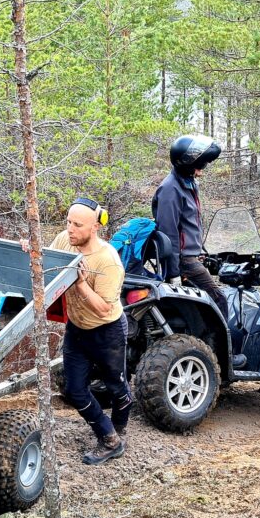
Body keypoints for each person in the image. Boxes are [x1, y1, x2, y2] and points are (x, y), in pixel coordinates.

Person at [45, 198, 132, 465]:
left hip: (108, 332)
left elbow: (105, 310)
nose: (70, 229)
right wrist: (31, 252)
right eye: (68, 222)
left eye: (77, 225)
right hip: (77, 328)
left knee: (116, 388)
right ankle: (109, 438)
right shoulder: (64, 240)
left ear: (95, 227)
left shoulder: (108, 262)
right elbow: (46, 264)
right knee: (74, 389)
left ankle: (118, 428)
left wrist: (81, 284)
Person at [152, 134, 228, 319]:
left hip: (192, 257)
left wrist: (202, 250)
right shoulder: (170, 189)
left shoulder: (188, 184)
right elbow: (168, 233)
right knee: (219, 300)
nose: (201, 171)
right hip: (184, 262)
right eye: (199, 166)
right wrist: (174, 273)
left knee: (199, 308)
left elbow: (189, 225)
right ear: (185, 164)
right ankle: (225, 348)